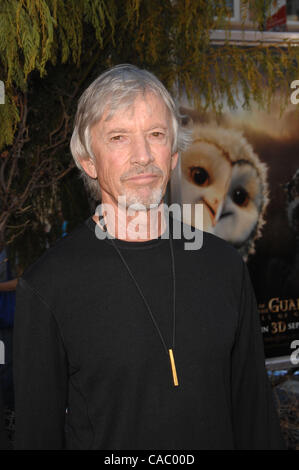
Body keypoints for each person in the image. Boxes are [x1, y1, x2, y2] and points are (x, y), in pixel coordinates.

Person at [13, 64, 285, 450]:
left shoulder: (224, 267)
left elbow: (256, 422)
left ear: (173, 153)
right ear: (88, 161)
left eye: (155, 135)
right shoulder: (48, 287)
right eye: (119, 137)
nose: (142, 156)